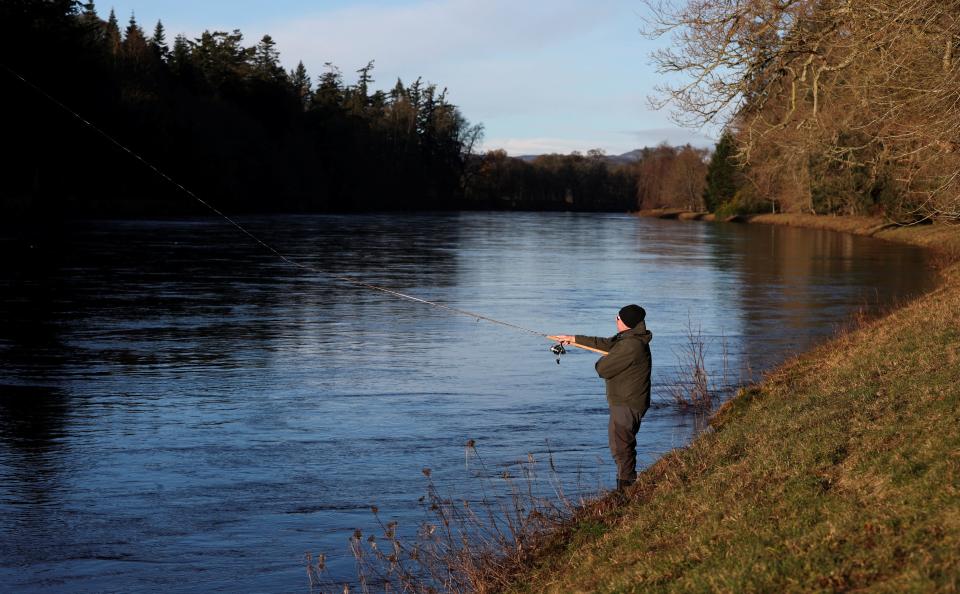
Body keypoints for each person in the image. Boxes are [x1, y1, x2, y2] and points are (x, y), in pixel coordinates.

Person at [551, 304, 652, 491]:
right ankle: (627, 485)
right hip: (627, 401)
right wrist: (573, 339)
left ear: (626, 323)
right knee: (620, 445)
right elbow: (606, 344)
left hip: (627, 403)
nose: (616, 320)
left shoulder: (630, 345)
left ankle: (627, 490)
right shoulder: (630, 339)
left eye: (618, 318)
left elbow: (603, 369)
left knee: (621, 448)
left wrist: (605, 359)